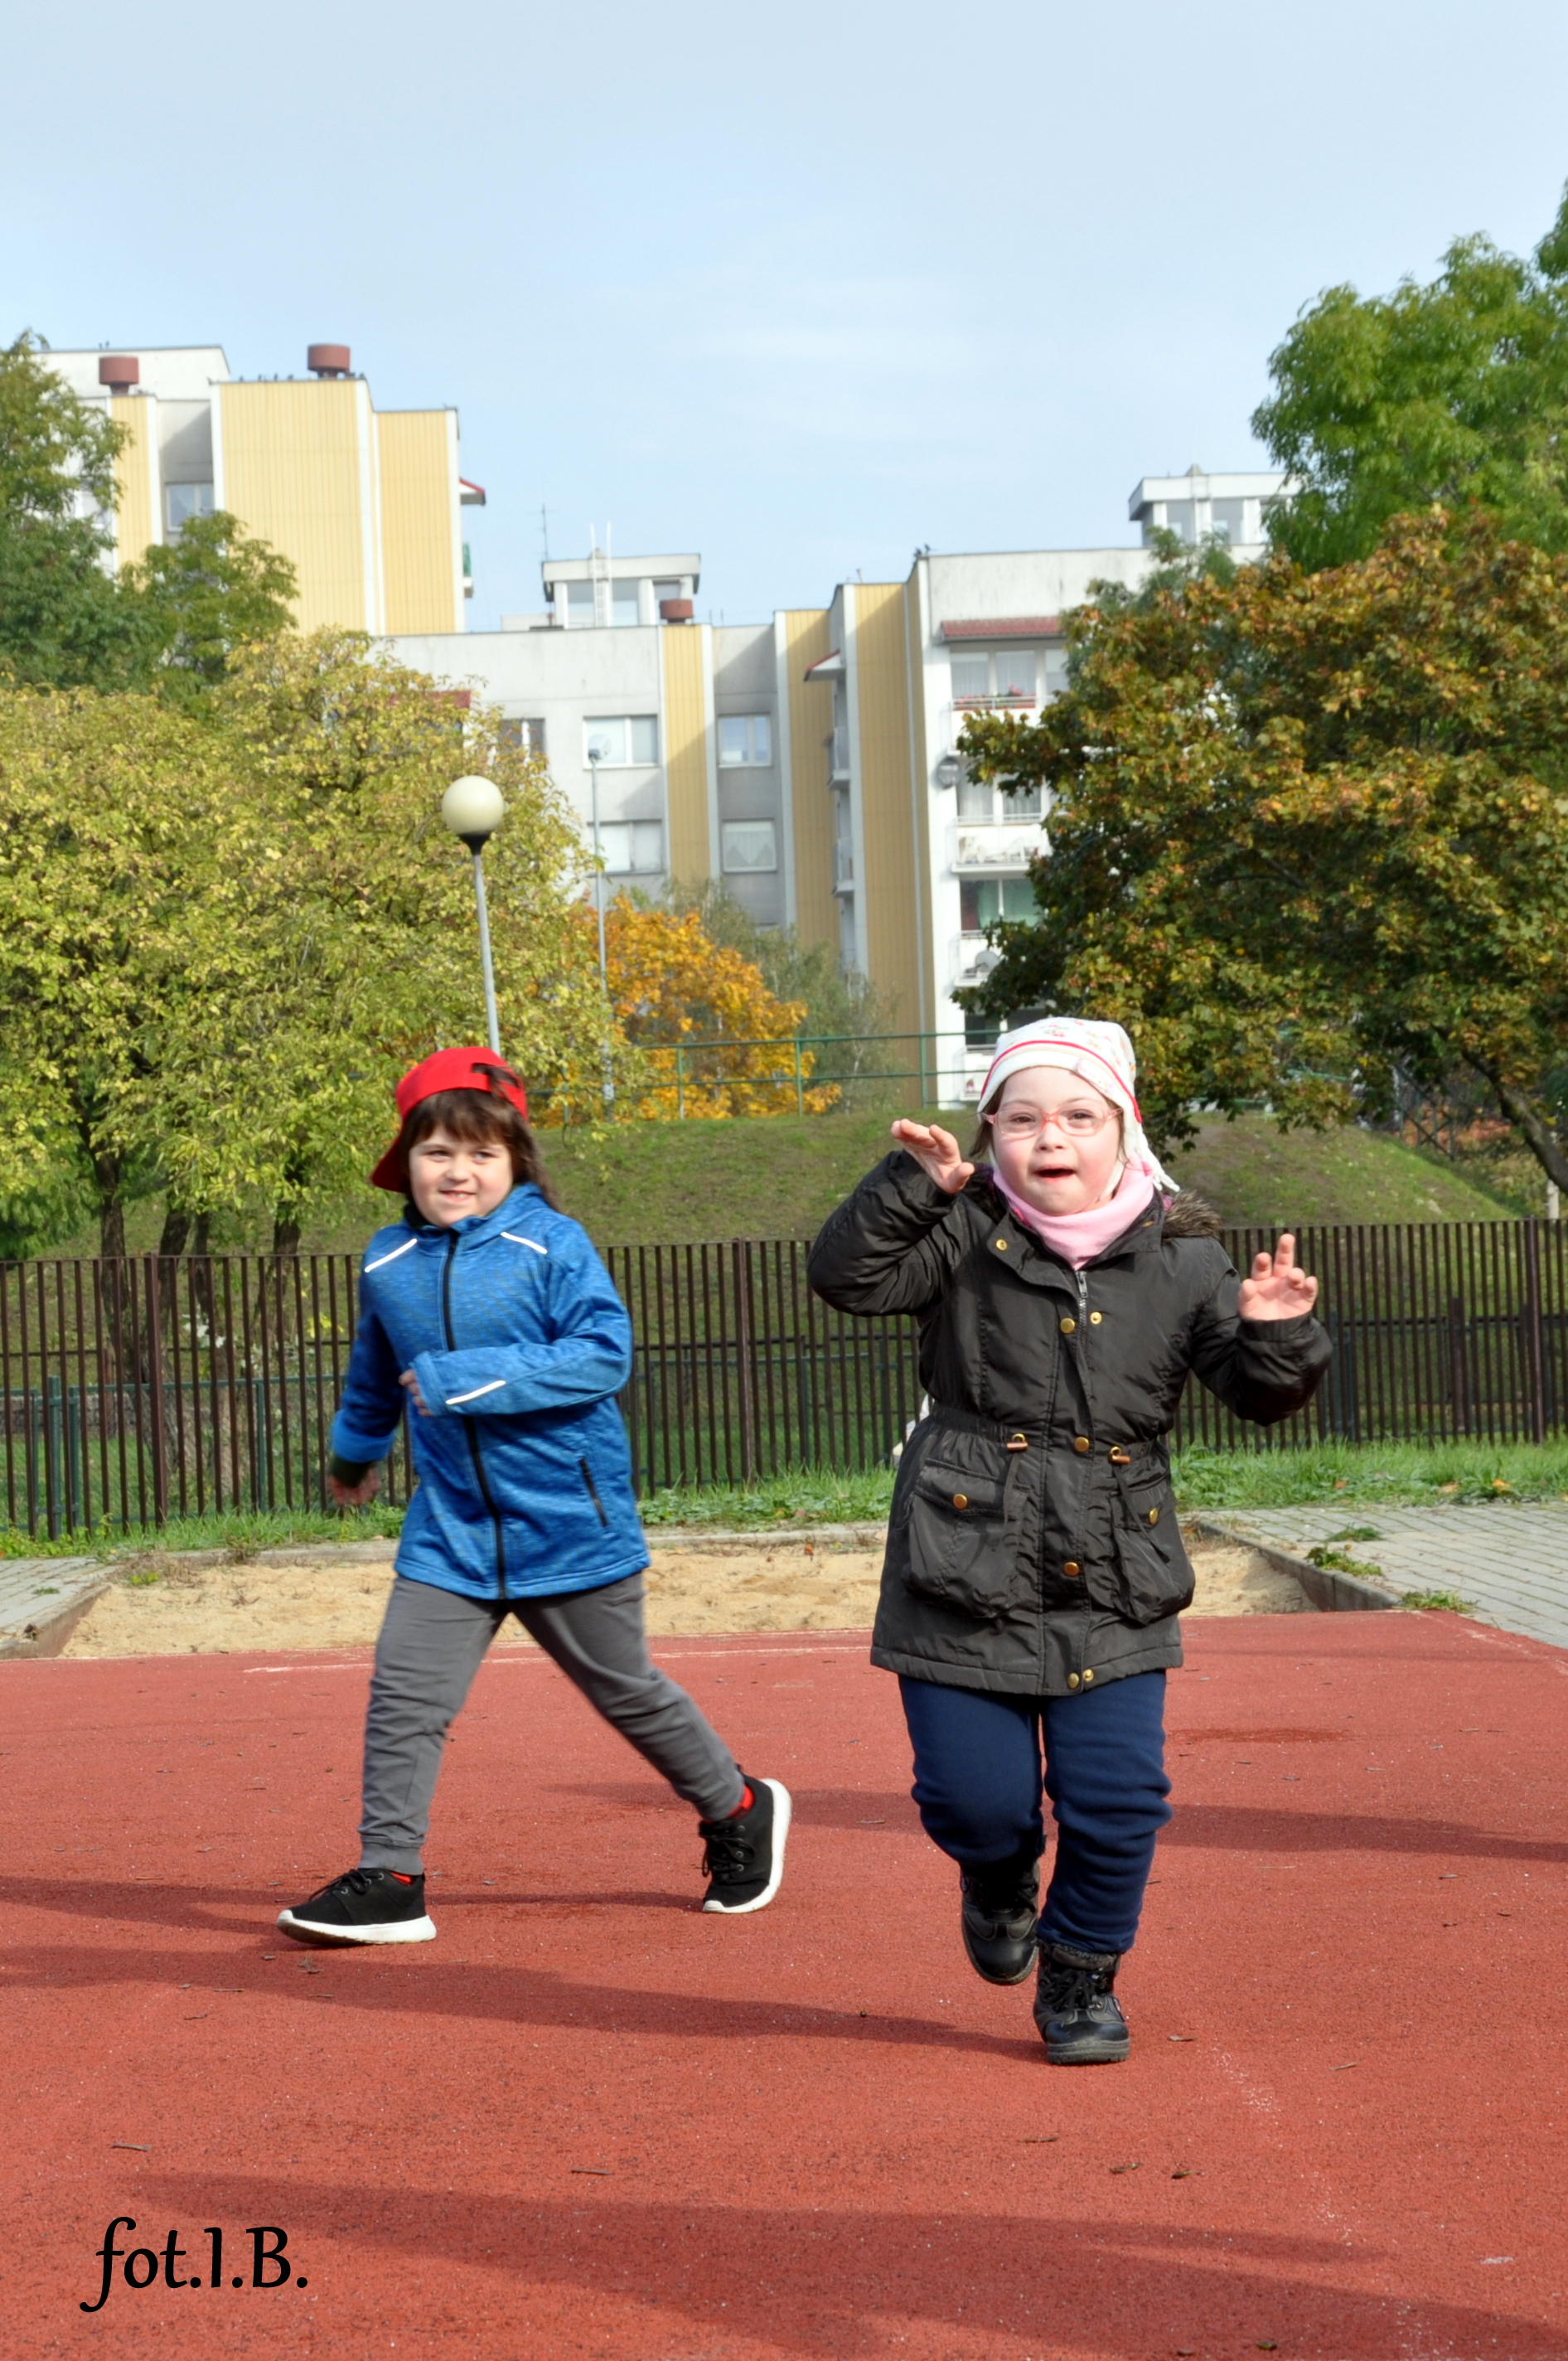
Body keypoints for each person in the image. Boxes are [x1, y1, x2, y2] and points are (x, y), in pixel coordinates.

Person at [807, 1018, 1327, 2064]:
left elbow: (1257, 1396)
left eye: (1079, 1116)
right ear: (989, 1135)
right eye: (1022, 1118)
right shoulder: (959, 1234)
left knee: (1119, 1801)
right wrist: (915, 1188)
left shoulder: (1185, 1260)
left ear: (1123, 1131)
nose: (1050, 1136)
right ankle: (998, 1876)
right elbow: (848, 1279)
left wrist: (1276, 1335)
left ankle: (1080, 1975)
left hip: (1116, 1571)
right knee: (972, 1801)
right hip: (963, 1562)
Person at [276, 1047, 788, 1946]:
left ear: (515, 1161)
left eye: (482, 1153)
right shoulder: (388, 1258)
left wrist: (462, 1379)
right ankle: (391, 1876)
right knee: (403, 1696)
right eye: (438, 1151)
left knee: (625, 1691)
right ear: (406, 1160)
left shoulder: (553, 1244)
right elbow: (374, 1372)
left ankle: (739, 1806)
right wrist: (354, 1454)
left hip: (569, 1520)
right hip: (453, 1530)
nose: (458, 1171)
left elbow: (603, 1354)